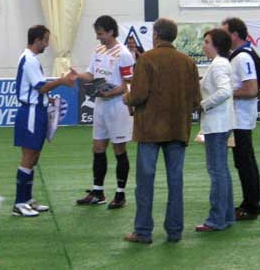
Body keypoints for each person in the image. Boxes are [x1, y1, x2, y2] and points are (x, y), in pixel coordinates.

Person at [122, 18, 200, 244]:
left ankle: (143, 231)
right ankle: (174, 231)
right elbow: (196, 101)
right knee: (176, 181)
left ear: (156, 35)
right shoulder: (188, 62)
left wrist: (126, 97)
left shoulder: (147, 59)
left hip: (150, 130)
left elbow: (137, 95)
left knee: (145, 182)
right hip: (177, 129)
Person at [12, 25, 77, 217]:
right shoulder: (29, 60)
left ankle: (27, 199)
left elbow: (39, 88)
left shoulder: (30, 59)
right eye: (46, 40)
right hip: (31, 112)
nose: (47, 45)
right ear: (38, 40)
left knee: (34, 157)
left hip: (37, 111)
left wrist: (52, 92)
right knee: (28, 157)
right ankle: (19, 202)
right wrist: (62, 81)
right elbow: (40, 87)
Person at [73, 15, 134, 209]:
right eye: (97, 33)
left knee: (119, 150)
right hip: (100, 105)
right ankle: (97, 192)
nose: (98, 37)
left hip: (118, 106)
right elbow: (91, 74)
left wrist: (111, 92)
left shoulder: (123, 54)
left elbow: (129, 84)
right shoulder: (98, 50)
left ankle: (120, 194)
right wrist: (76, 75)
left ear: (110, 32)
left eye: (100, 33)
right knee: (98, 147)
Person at [195, 28, 235, 232]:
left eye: (207, 41)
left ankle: (216, 219)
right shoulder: (221, 63)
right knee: (222, 172)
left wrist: (204, 104)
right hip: (222, 124)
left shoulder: (218, 64)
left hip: (217, 125)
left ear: (216, 45)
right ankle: (226, 216)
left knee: (217, 172)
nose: (204, 45)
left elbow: (225, 91)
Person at [221, 17, 260, 220]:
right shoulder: (242, 55)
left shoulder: (242, 58)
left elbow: (251, 89)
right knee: (245, 162)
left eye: (225, 33)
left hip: (241, 119)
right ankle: (250, 202)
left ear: (234, 35)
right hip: (240, 118)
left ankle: (251, 205)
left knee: (245, 162)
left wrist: (226, 92)